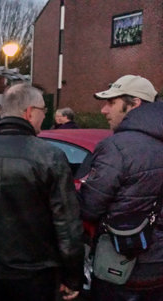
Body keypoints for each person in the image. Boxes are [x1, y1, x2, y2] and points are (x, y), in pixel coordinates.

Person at [0, 83, 84, 301]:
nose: (45, 116)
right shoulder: (50, 156)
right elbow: (67, 225)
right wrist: (72, 276)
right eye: (44, 110)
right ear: (29, 112)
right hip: (34, 276)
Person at [79, 75, 163, 300]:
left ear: (135, 104)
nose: (104, 110)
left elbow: (89, 207)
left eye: (111, 103)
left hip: (122, 265)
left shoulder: (116, 146)